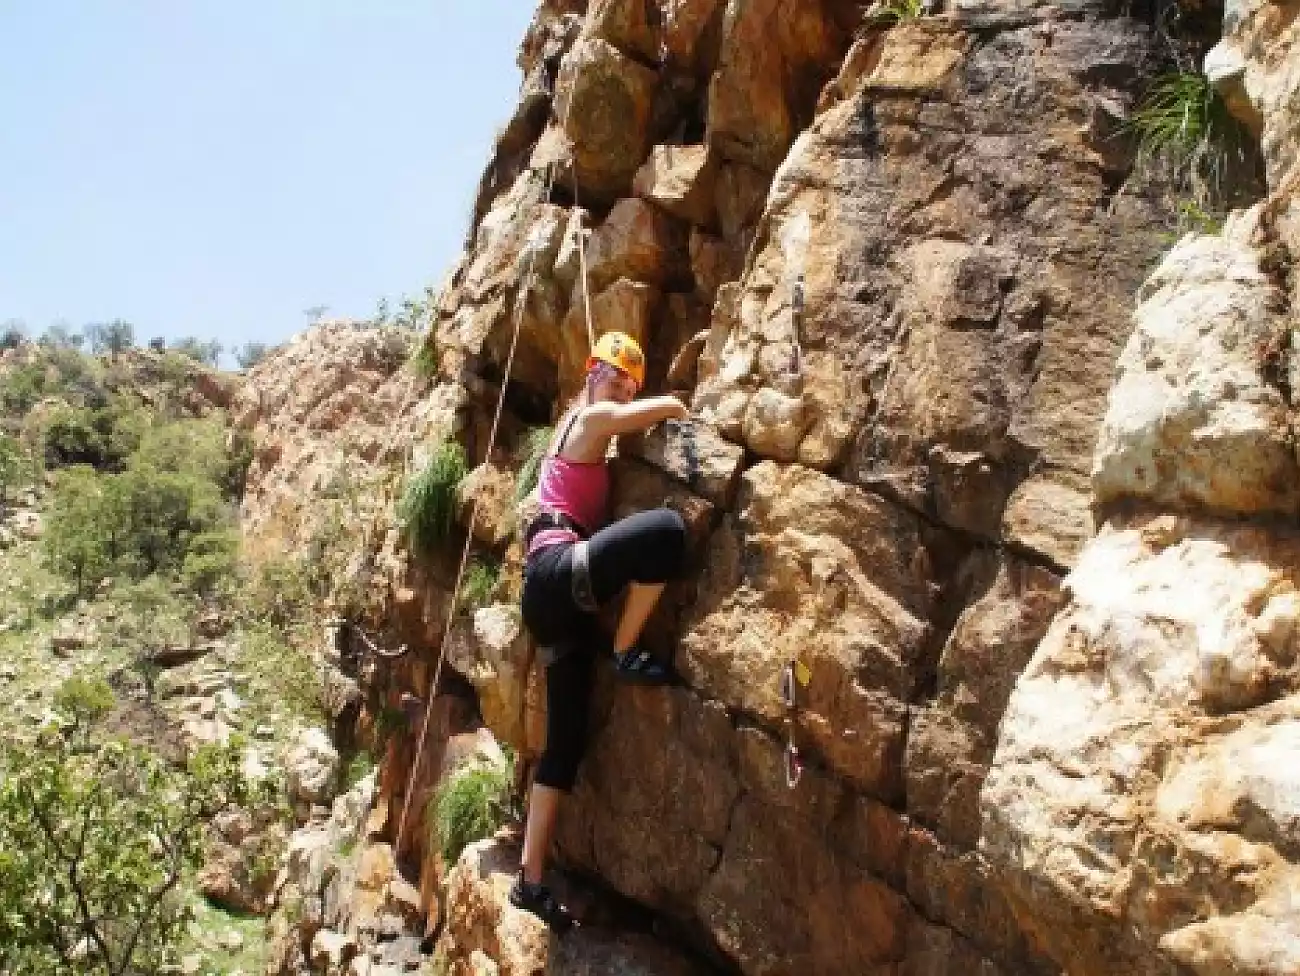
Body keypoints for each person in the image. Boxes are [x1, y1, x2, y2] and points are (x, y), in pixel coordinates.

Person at [509, 330, 689, 932]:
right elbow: (633, 417)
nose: (620, 390)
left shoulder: (572, 433)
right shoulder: (589, 418)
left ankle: (529, 882)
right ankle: (626, 647)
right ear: (593, 372)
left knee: (565, 745)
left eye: (628, 383)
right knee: (667, 531)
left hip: (551, 596)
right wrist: (673, 404)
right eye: (615, 377)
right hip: (560, 572)